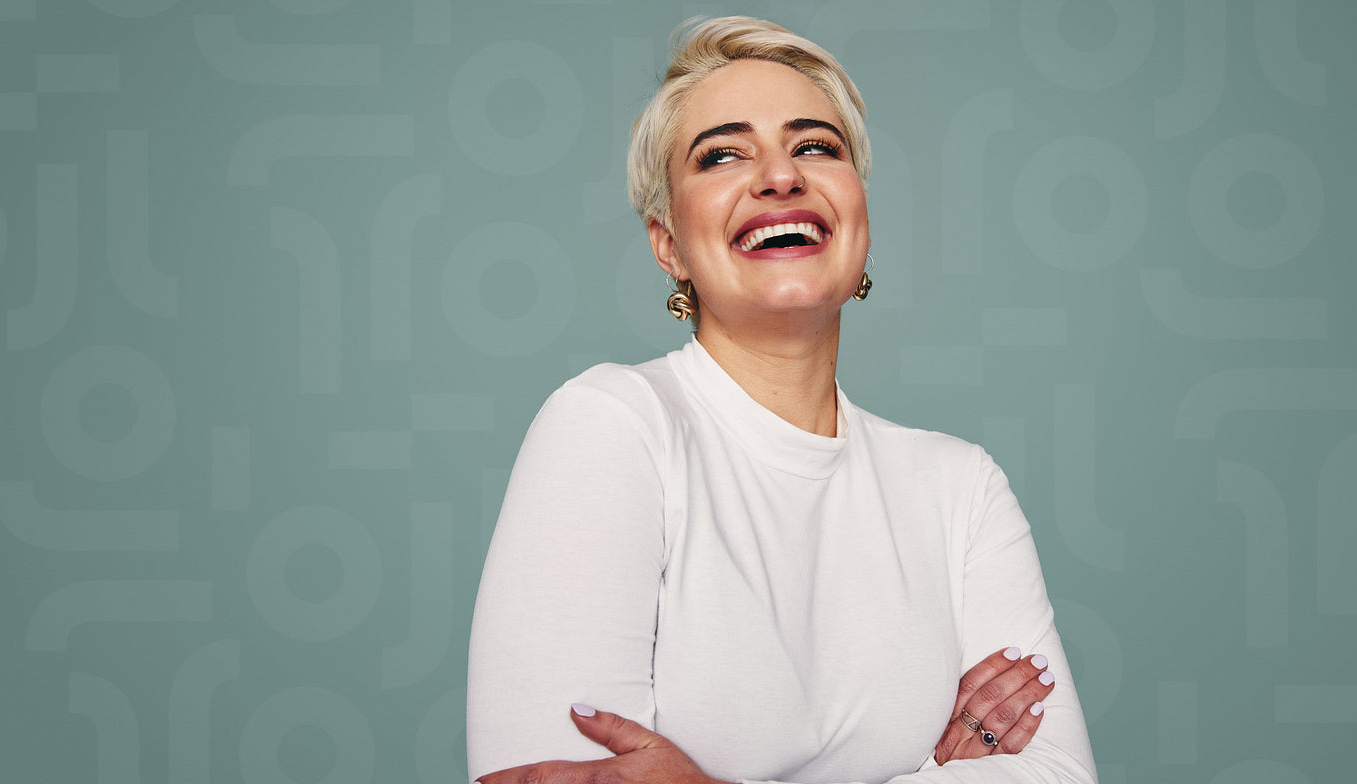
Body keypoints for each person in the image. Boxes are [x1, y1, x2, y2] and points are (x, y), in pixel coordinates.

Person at [467, 16, 1098, 784]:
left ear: (859, 214)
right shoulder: (611, 427)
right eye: (722, 154)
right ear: (669, 243)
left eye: (816, 147)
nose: (780, 176)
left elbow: (1062, 775)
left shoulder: (960, 489)